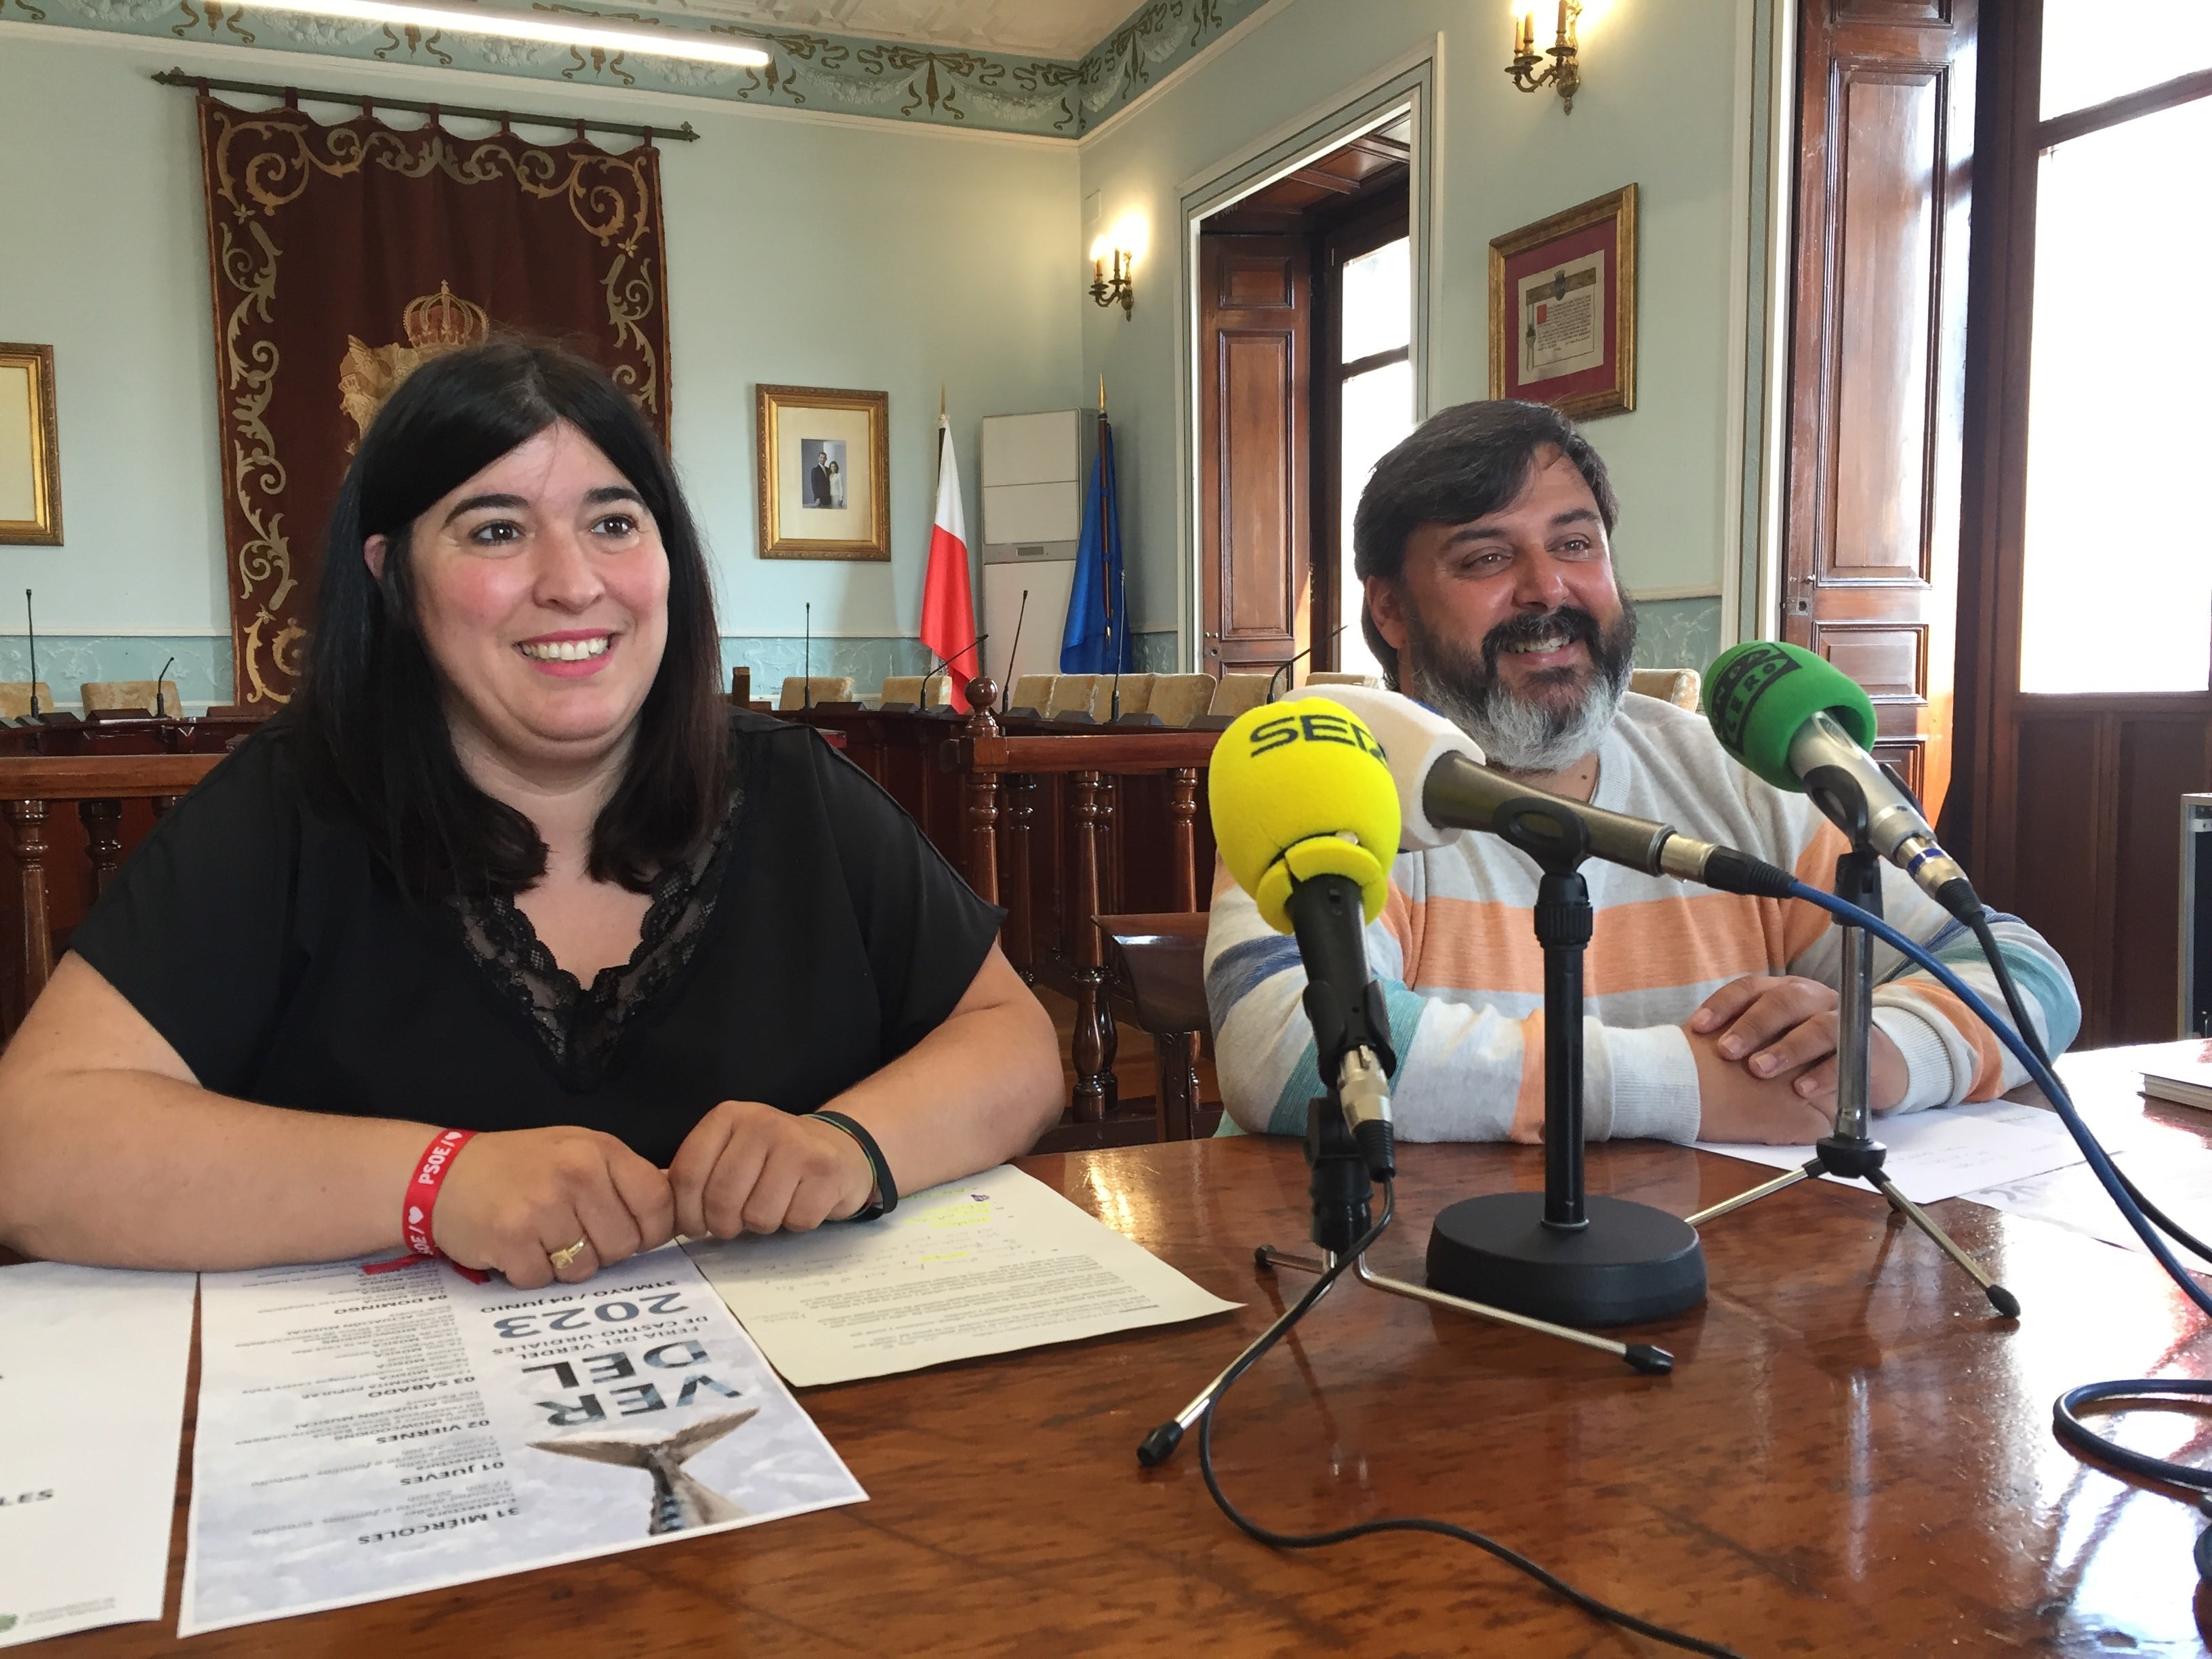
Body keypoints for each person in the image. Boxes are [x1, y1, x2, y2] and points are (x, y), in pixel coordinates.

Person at [0, 342, 1063, 1286]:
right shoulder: (292, 808)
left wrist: (851, 1145)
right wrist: (432, 1185)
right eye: (496, 529)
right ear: (393, 580)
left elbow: (1012, 1043)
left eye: (613, 522)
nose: (571, 583)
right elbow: (33, 1147)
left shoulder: (793, 789)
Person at [1206, 400, 2079, 1145]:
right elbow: (1287, 1048)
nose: (1548, 588)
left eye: (1576, 544)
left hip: (1730, 1279)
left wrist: (1880, 1055)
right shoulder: (1332, 772)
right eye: (1485, 557)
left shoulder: (1740, 777)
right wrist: (1696, 1086)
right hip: (1402, 1285)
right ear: (1390, 608)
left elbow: (2024, 976)